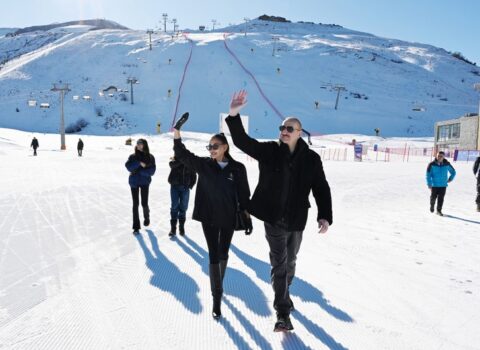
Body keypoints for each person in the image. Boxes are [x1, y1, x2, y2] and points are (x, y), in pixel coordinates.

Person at [225, 90, 333, 332]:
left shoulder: (311, 159)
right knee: (280, 263)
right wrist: (233, 114)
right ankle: (283, 313)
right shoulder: (270, 151)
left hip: (297, 219)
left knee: (291, 261)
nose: (283, 131)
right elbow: (242, 141)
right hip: (273, 217)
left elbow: (321, 187)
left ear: (299, 133)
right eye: (282, 127)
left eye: (289, 129)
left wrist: (324, 215)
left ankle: (283, 291)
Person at [172, 118, 252, 320]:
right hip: (208, 217)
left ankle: (218, 283)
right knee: (214, 255)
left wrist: (247, 217)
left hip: (228, 217)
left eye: (215, 146)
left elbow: (244, 195)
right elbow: (182, 155)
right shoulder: (205, 165)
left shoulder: (238, 169)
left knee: (224, 253)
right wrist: (177, 133)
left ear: (225, 147)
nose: (211, 150)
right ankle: (217, 297)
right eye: (209, 147)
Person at [125, 139, 156, 234]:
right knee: (135, 204)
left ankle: (146, 217)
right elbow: (128, 167)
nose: (138, 145)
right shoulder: (133, 156)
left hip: (144, 183)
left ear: (144, 145)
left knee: (144, 203)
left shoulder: (150, 157)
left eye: (140, 143)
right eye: (137, 143)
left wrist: (141, 171)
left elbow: (152, 171)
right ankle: (136, 227)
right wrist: (138, 163)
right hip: (134, 182)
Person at [168, 156, 197, 236]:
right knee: (174, 206)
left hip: (185, 188)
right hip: (174, 187)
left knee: (183, 207)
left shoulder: (189, 162)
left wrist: (190, 185)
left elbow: (194, 175)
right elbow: (171, 165)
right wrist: (181, 160)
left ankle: (181, 227)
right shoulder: (174, 161)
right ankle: (173, 228)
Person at [426, 151, 456, 216]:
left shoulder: (447, 164)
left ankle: (439, 210)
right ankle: (432, 205)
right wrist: (429, 184)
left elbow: (453, 172)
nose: (439, 157)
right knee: (433, 198)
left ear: (443, 157)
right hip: (434, 185)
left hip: (443, 185)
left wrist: (450, 178)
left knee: (441, 199)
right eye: (438, 156)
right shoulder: (431, 164)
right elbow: (428, 175)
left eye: (441, 156)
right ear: (436, 156)